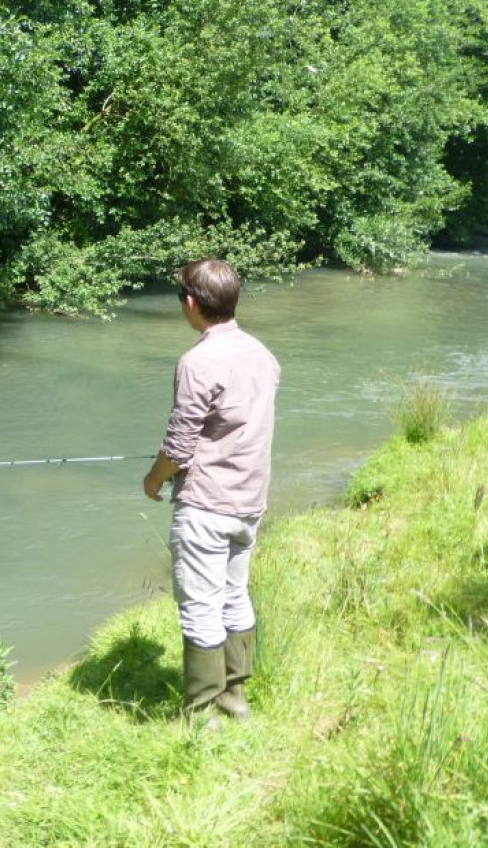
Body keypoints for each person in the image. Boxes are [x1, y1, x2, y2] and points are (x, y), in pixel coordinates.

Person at [142, 259, 280, 720]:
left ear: (190, 303)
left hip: (206, 505)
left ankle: (201, 716)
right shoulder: (263, 355)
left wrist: (153, 479)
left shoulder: (197, 362)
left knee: (200, 606)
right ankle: (235, 700)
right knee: (234, 594)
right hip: (250, 502)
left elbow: (180, 447)